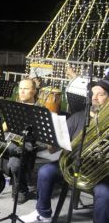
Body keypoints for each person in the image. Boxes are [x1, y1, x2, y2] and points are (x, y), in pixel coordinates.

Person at [20, 78, 109, 223]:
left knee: (105, 193)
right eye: (92, 94)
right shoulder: (77, 117)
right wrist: (51, 139)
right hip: (71, 165)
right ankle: (43, 213)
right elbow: (52, 150)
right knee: (45, 172)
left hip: (98, 172)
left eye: (101, 94)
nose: (94, 98)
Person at [6, 78, 38, 204]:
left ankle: (21, 189)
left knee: (14, 162)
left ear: (34, 91)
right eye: (20, 88)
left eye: (26, 88)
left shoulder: (38, 109)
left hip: (28, 143)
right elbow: (6, 126)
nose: (22, 91)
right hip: (12, 140)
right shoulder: (15, 105)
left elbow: (38, 137)